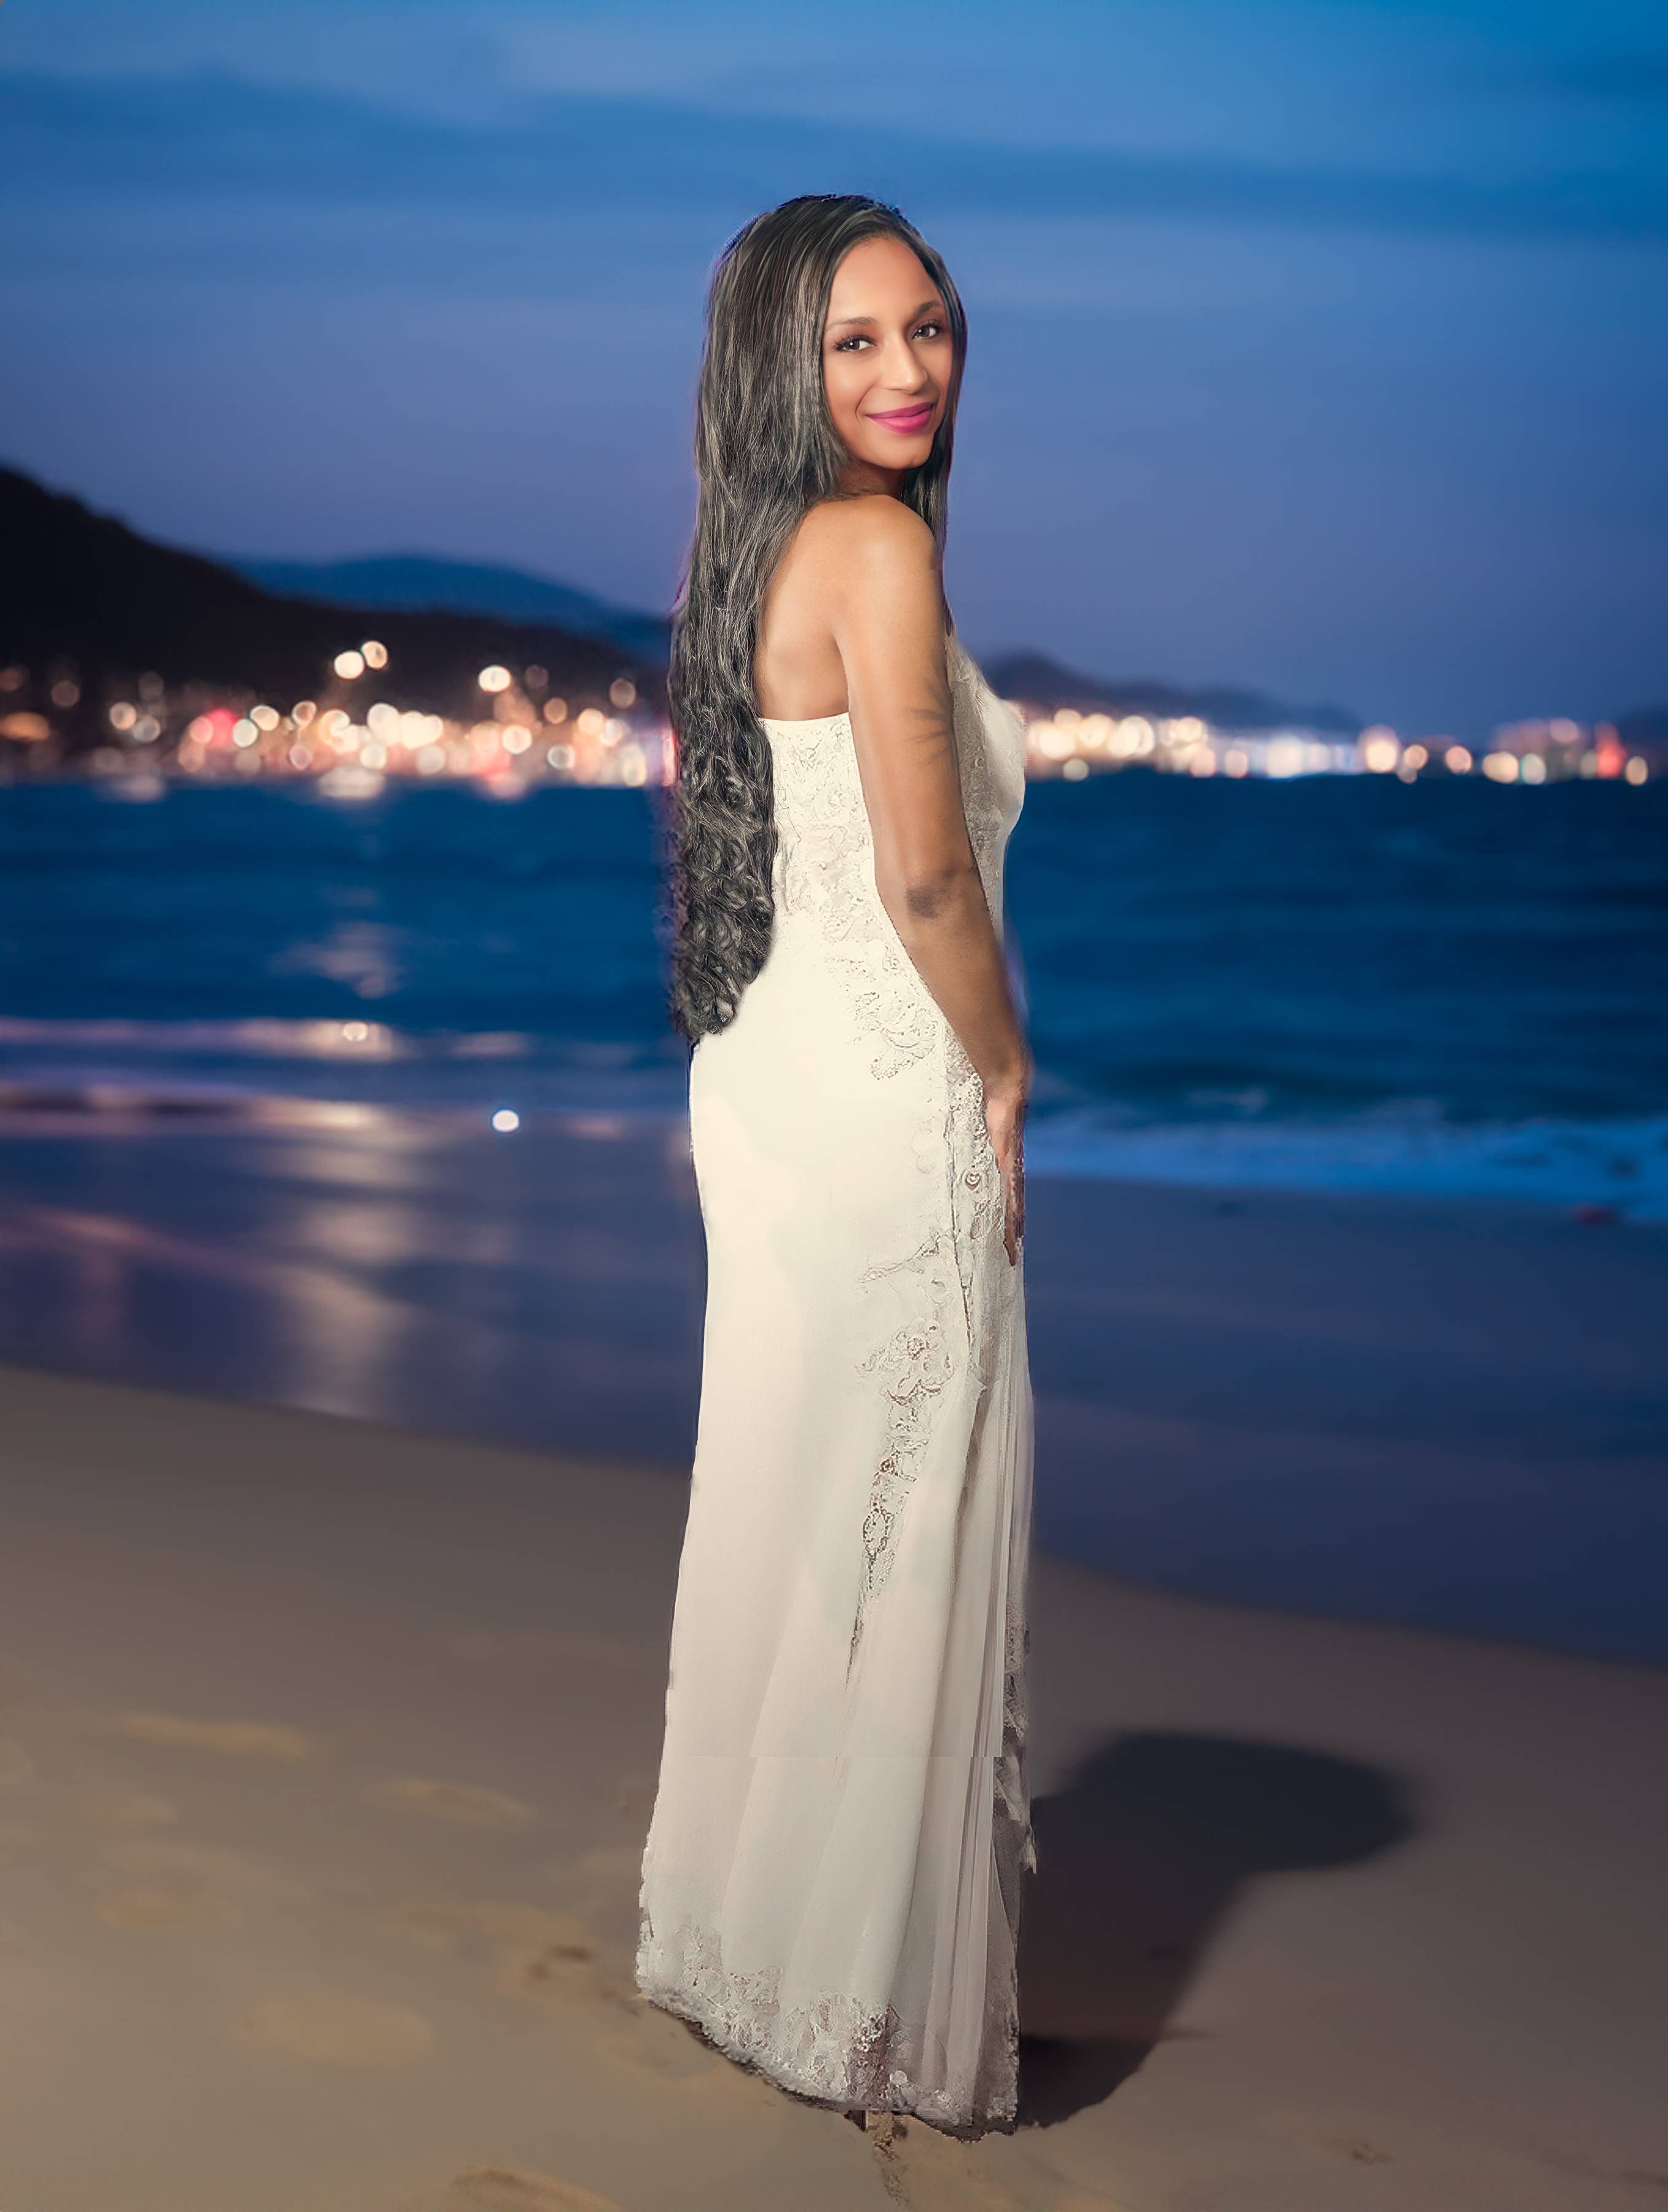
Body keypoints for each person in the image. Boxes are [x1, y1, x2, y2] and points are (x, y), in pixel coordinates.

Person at [635, 195, 1035, 2136]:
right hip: (883, 1085)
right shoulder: (873, 548)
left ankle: (740, 1935)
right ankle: (851, 2001)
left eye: (930, 329)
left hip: (766, 1072)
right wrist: (1009, 1064)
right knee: (902, 1512)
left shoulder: (742, 545)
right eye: (858, 341)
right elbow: (928, 869)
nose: (907, 373)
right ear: (785, 363)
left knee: (794, 1503)